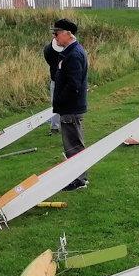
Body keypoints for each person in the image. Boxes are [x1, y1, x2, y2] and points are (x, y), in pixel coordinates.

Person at [51, 18, 89, 191]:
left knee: (73, 144)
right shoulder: (71, 51)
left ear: (67, 33)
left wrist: (59, 100)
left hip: (70, 107)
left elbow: (73, 85)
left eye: (57, 33)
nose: (55, 37)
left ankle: (79, 180)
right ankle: (80, 177)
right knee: (74, 143)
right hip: (70, 106)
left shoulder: (74, 54)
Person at [43, 38, 63, 135]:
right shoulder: (48, 50)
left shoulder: (69, 48)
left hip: (66, 79)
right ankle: (55, 126)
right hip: (55, 79)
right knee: (55, 104)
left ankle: (66, 125)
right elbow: (50, 61)